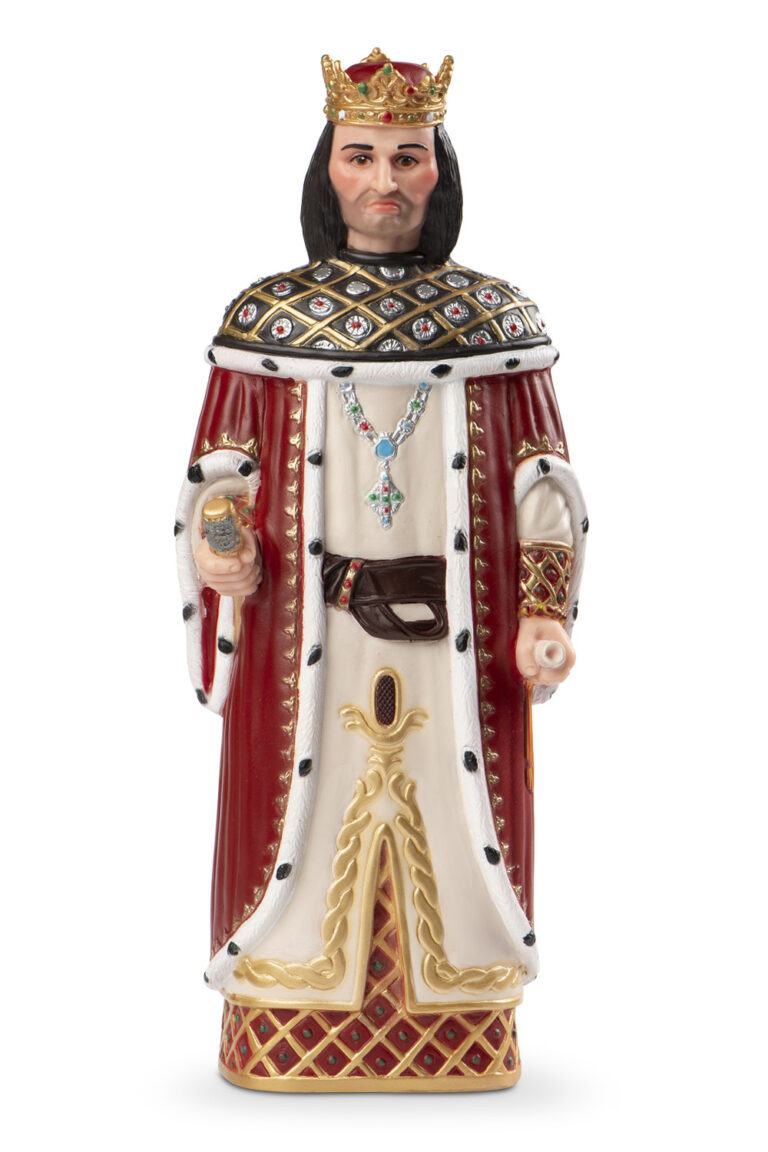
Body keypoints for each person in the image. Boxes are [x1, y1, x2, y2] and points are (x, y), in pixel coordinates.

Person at [176, 48, 587, 1092]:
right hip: (305, 641)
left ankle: (456, 1023)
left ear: (440, 170)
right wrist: (222, 544)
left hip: (457, 649)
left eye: (408, 157)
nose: (386, 181)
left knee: (457, 815)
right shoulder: (269, 322)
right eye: (362, 156)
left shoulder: (496, 325)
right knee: (303, 819)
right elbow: (220, 470)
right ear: (329, 169)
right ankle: (289, 1014)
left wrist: (543, 611)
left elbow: (543, 484)